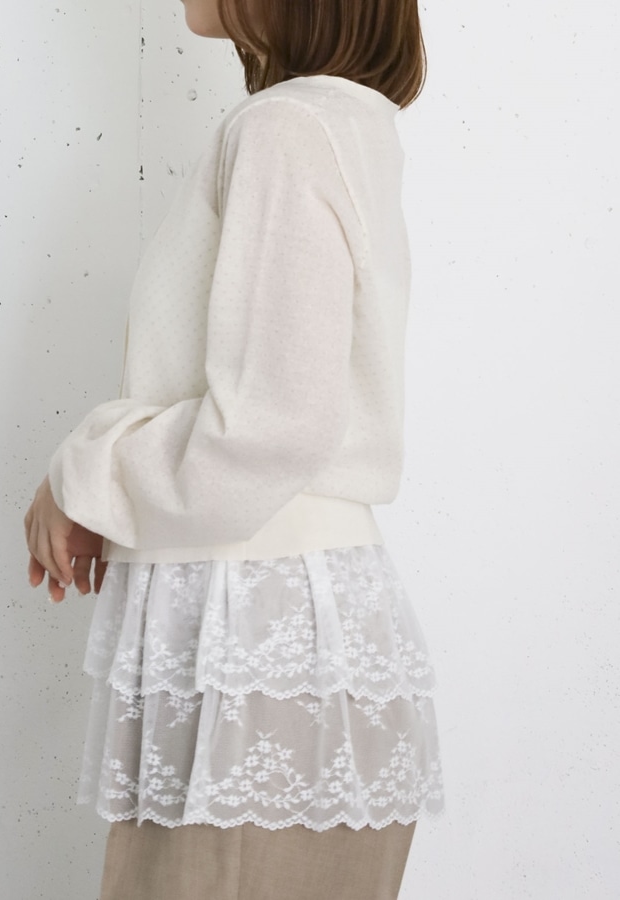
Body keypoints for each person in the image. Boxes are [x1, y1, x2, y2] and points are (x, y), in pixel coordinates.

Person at [24, 0, 444, 897]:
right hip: (279, 643)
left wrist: (87, 472)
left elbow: (271, 426)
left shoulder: (286, 129)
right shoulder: (342, 121)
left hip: (256, 649)